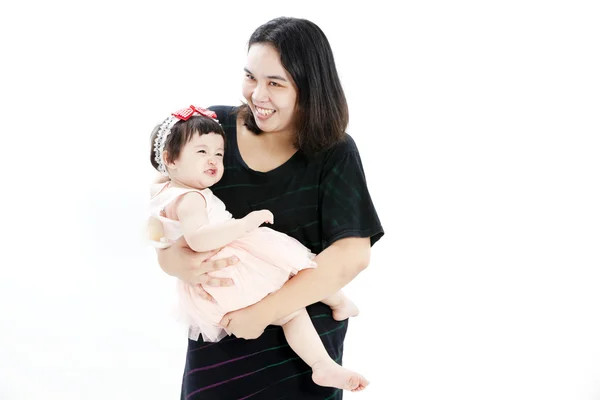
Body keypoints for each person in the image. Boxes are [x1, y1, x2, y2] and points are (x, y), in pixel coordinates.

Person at [154, 17, 384, 399]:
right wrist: (169, 260)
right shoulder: (213, 133)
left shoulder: (334, 152)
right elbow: (162, 203)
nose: (257, 94)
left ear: (309, 87)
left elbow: (351, 257)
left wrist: (262, 314)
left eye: (275, 83)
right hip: (220, 341)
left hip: (301, 359)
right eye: (250, 77)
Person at [148, 106, 367, 392]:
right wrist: (246, 224)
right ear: (170, 159)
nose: (213, 160)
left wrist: (164, 252)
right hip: (231, 263)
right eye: (201, 153)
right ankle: (324, 356)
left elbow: (154, 231)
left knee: (295, 280)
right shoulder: (191, 199)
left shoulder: (161, 191)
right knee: (297, 271)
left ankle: (326, 350)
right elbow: (200, 239)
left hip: (215, 280)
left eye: (218, 154)